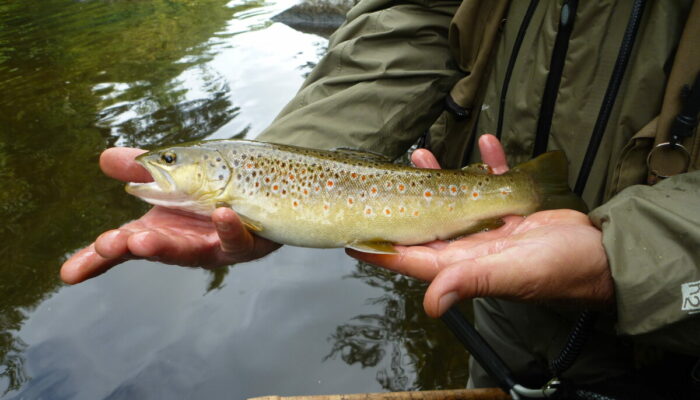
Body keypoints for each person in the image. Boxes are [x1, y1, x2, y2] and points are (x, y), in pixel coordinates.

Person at [62, 0, 700, 397]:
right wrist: (301, 144)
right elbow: (411, 14)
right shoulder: (242, 181)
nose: (158, 168)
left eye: (171, 162)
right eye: (169, 162)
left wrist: (630, 260)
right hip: (503, 297)